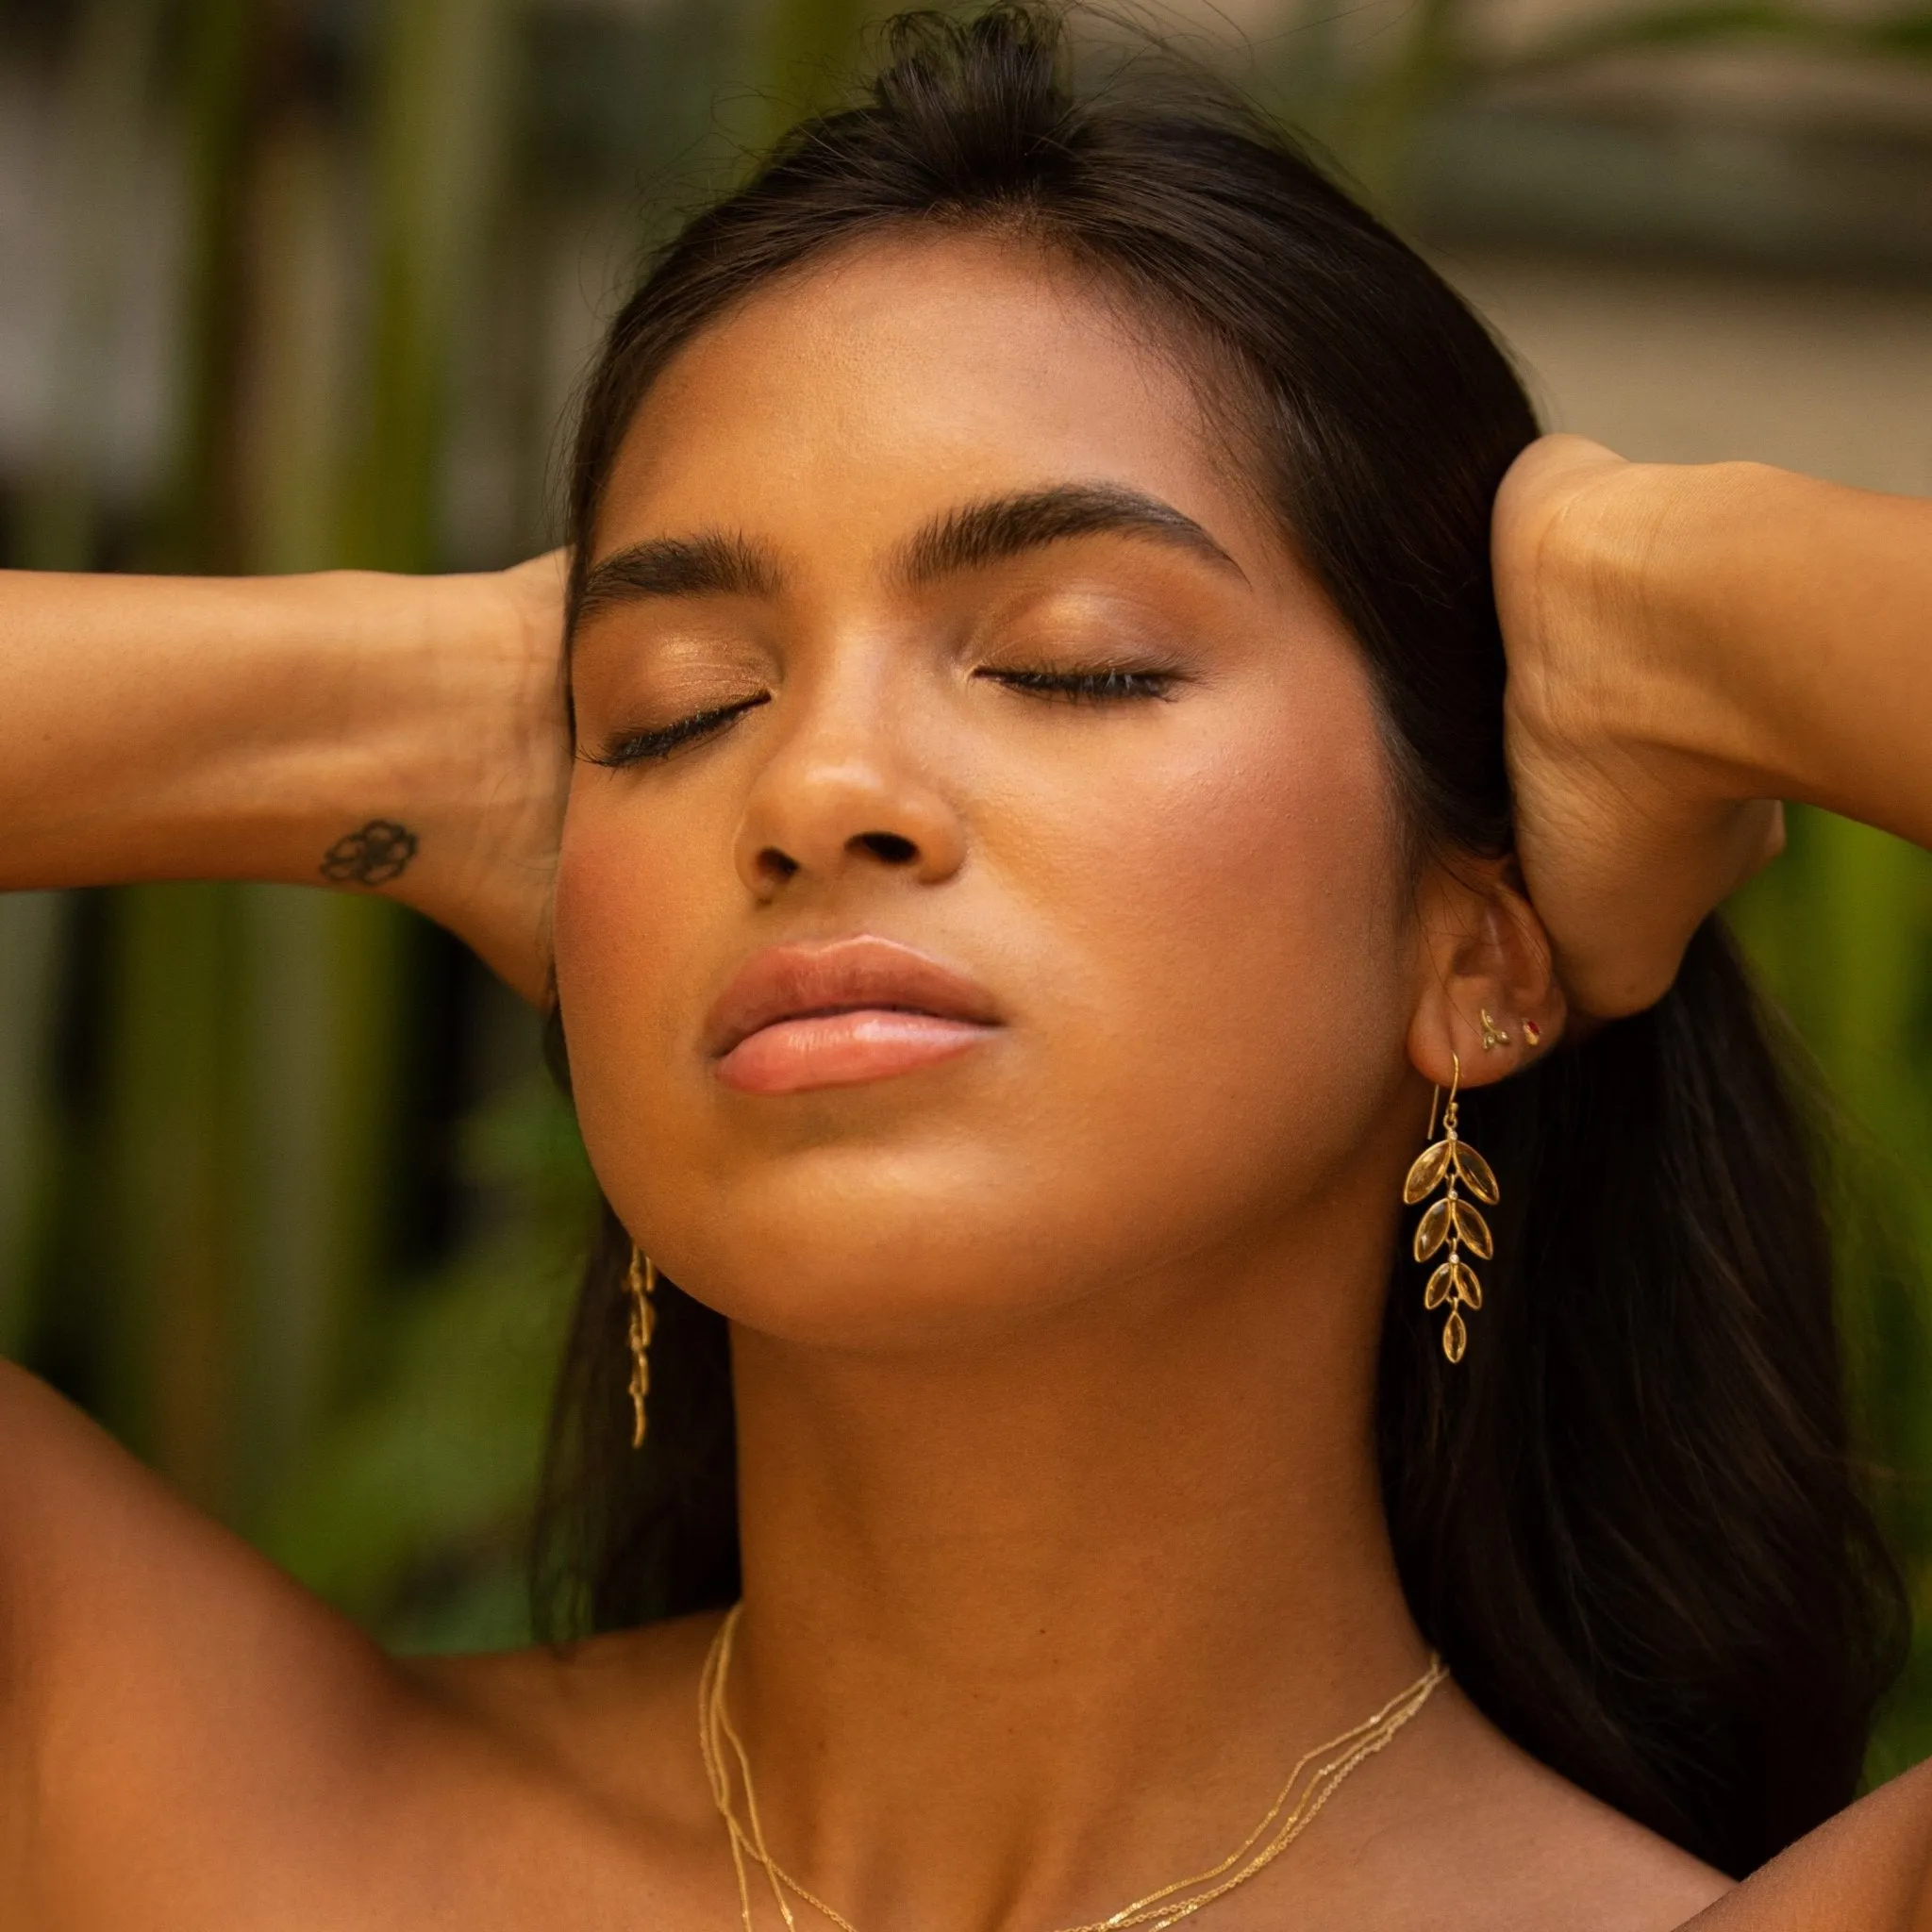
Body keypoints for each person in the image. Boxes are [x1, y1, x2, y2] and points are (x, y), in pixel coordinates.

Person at [1, 7, 1929, 1926]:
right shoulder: (156, 1803)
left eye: (1073, 659)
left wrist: (1659, 609)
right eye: (678, 708)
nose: (817, 785)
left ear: (1479, 947)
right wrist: (384, 715)